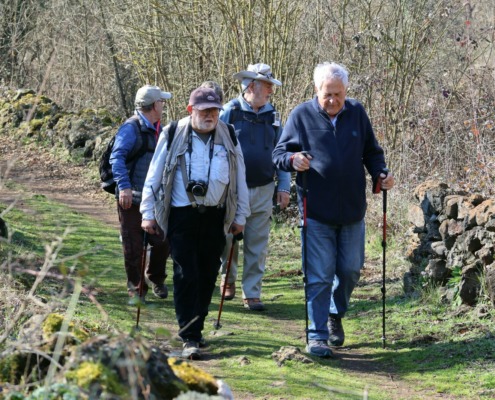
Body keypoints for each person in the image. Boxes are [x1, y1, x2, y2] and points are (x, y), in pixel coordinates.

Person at [272, 62, 395, 357]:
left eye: (338, 94)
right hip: (316, 211)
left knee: (350, 270)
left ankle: (334, 313)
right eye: (327, 94)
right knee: (319, 275)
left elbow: (372, 152)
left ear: (346, 91)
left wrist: (381, 173)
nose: (333, 100)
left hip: (353, 211)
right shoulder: (301, 115)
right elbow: (279, 154)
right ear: (316, 90)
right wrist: (293, 160)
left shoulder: (357, 113)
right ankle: (317, 337)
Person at [140, 87, 250, 360]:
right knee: (185, 273)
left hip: (216, 215)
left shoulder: (229, 135)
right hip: (181, 215)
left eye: (214, 111)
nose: (210, 116)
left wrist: (240, 216)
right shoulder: (172, 133)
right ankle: (189, 334)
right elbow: (154, 175)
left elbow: (240, 178)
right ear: (191, 110)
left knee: (208, 274)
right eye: (204, 111)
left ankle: (197, 327)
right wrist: (147, 213)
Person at [219, 63, 291, 311]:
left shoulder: (274, 116)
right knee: (228, 238)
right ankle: (227, 279)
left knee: (257, 245)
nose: (271, 91)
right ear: (251, 86)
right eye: (267, 86)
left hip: (264, 188)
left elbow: (282, 152)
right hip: (232, 190)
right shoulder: (229, 112)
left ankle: (252, 293)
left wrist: (284, 186)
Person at [110, 85, 171, 306]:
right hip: (131, 198)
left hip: (156, 198)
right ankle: (136, 290)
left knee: (163, 240)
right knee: (133, 246)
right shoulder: (130, 129)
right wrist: (124, 187)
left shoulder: (162, 130)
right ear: (154, 105)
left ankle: (156, 278)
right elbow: (116, 158)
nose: (163, 105)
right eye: (161, 102)